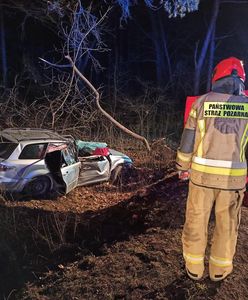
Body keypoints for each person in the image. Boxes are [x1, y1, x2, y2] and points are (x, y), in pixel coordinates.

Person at [176, 57, 248, 281]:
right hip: (233, 181)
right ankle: (219, 270)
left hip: (201, 177)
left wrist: (182, 166)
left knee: (196, 221)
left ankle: (194, 269)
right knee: (227, 226)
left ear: (217, 77)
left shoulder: (202, 103)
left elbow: (188, 139)